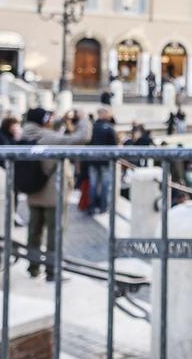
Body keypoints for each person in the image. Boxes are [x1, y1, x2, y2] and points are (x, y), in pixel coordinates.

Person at [20, 107, 92, 280]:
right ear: (43, 121)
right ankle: (53, 271)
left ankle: (33, 267)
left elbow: (48, 128)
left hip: (34, 192)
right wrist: (84, 119)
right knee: (55, 233)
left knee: (34, 232)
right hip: (53, 193)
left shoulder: (27, 133)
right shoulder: (48, 137)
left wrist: (61, 118)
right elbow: (80, 138)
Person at [87, 106, 119, 216]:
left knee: (93, 184)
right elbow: (114, 145)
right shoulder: (109, 127)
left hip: (93, 159)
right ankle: (103, 206)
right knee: (105, 184)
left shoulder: (93, 126)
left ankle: (91, 206)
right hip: (105, 161)